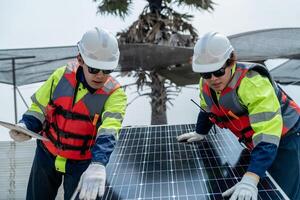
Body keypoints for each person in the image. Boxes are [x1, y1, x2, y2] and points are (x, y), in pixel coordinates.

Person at [177, 32, 300, 200]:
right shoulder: (206, 83)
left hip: (286, 138)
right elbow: (207, 108)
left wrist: (251, 178)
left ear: (231, 62)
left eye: (218, 71)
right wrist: (201, 132)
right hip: (254, 142)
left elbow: (267, 134)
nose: (212, 79)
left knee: (283, 193)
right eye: (206, 74)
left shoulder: (252, 83)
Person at [9, 27, 127, 200]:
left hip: (82, 164)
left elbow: (109, 130)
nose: (100, 76)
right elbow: (38, 108)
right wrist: (25, 126)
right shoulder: (60, 76)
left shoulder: (115, 94)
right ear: (80, 59)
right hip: (46, 155)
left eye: (107, 70)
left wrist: (98, 163)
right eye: (94, 69)